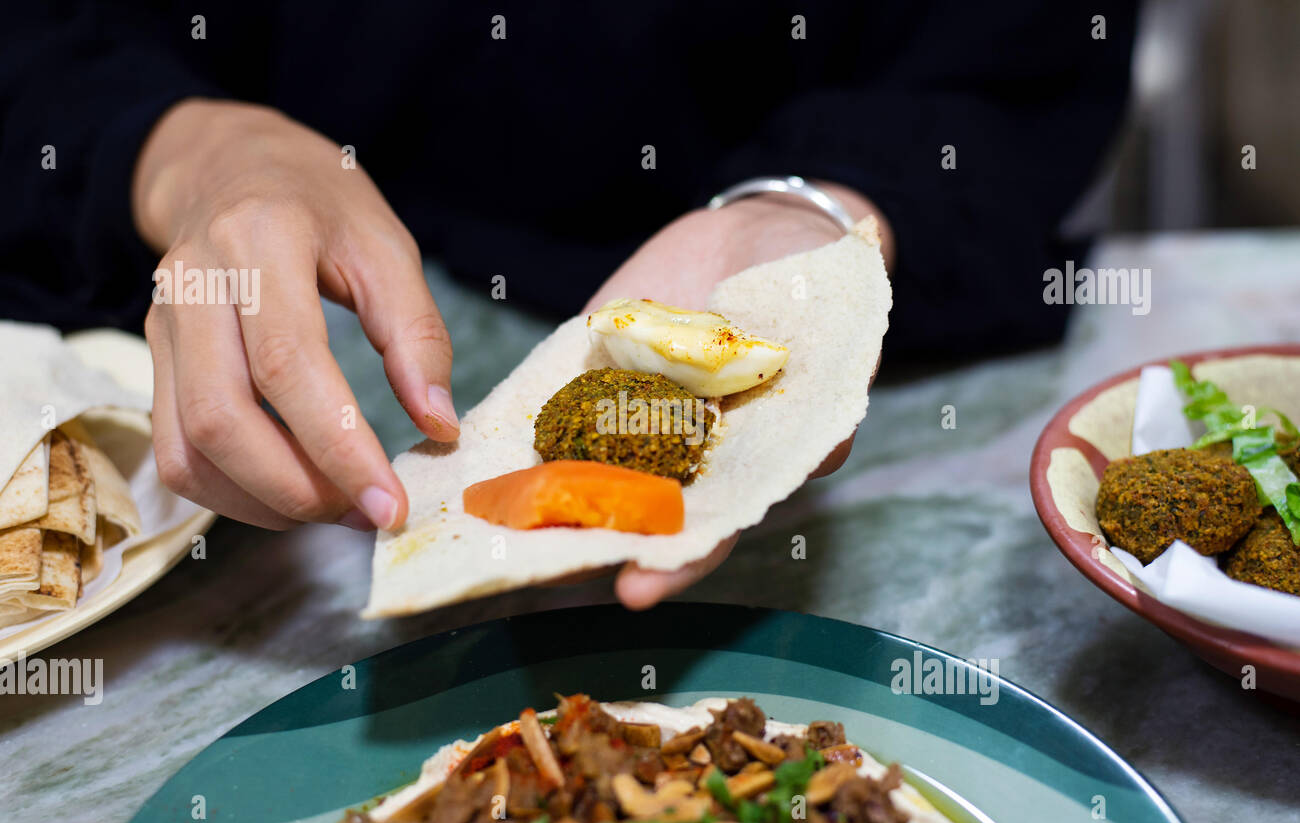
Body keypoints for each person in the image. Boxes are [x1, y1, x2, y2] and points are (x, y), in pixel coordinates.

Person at [0, 2, 1136, 607]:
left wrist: (810, 223)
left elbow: (1008, 63)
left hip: (884, 337)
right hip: (285, 317)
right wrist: (191, 150)